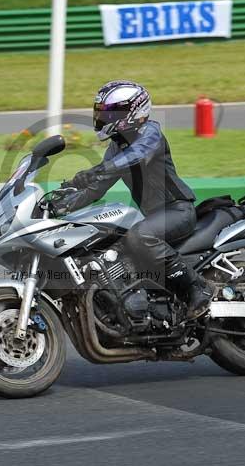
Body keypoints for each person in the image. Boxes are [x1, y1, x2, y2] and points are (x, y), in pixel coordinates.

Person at [54, 80, 211, 320]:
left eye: (111, 112)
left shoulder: (150, 133)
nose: (104, 118)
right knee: (110, 246)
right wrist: (60, 205)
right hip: (156, 216)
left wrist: (96, 170)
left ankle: (196, 287)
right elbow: (96, 191)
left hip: (178, 210)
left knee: (140, 236)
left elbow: (135, 156)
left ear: (133, 111)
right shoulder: (117, 147)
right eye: (102, 112)